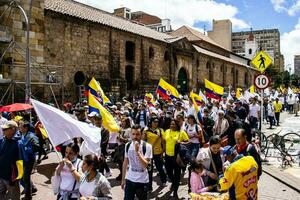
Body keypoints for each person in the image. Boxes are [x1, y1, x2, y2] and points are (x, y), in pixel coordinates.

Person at [121, 124, 152, 200]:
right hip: (130, 180)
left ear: (141, 135)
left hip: (142, 182)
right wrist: (123, 179)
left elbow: (145, 165)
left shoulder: (147, 146)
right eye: (133, 134)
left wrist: (138, 152)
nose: (135, 137)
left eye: (137, 134)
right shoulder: (127, 145)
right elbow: (125, 162)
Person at [162, 119, 189, 198]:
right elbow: (164, 141)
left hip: (177, 157)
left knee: (177, 175)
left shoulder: (181, 132)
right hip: (167, 156)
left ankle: (175, 192)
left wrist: (181, 143)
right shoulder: (167, 131)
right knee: (169, 172)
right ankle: (174, 182)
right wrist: (163, 151)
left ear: (177, 125)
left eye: (173, 124)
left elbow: (187, 142)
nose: (172, 126)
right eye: (171, 124)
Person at [0, 120, 23, 200]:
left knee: (15, 196)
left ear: (13, 129)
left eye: (5, 129)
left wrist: (14, 179)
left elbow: (19, 164)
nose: (3, 130)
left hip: (11, 178)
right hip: (1, 175)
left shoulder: (18, 144)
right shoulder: (3, 140)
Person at [143, 117, 167, 191]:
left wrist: (163, 151)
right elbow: (143, 141)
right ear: (150, 122)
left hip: (158, 152)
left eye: (157, 121)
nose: (156, 123)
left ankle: (163, 180)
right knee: (149, 170)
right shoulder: (146, 131)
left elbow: (164, 141)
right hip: (149, 153)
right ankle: (149, 187)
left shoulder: (160, 130)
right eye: (154, 121)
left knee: (160, 168)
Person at [19, 121, 39, 200]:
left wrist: (27, 149)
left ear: (26, 128)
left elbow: (36, 147)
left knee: (26, 177)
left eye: (21, 127)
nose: (19, 128)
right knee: (25, 176)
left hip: (30, 159)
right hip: (24, 159)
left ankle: (28, 196)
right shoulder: (23, 135)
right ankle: (32, 189)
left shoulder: (31, 136)